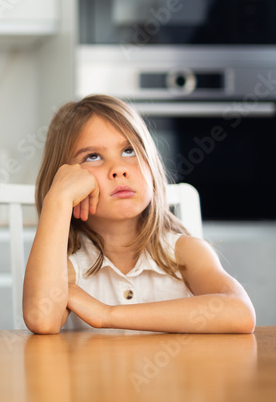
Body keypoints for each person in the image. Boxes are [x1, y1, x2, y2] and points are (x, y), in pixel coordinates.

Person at [22, 94, 256, 333]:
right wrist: (58, 199)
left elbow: (240, 312)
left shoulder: (184, 252)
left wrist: (107, 314)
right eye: (93, 156)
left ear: (152, 165)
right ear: (68, 179)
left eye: (129, 150)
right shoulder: (66, 268)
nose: (119, 169)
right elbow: (42, 319)